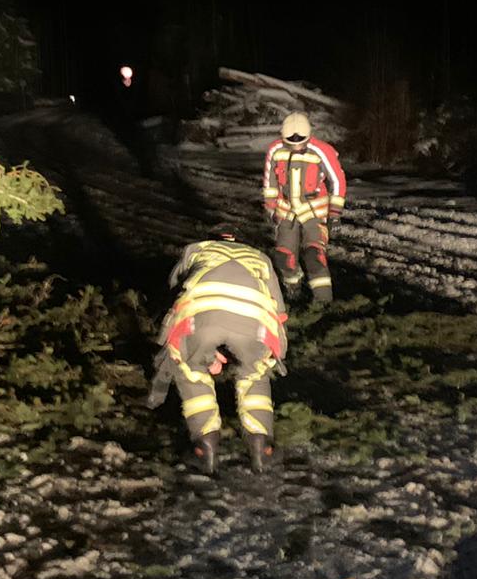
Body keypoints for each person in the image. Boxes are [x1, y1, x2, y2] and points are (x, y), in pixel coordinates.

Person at [147, 227, 288, 474]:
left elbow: (173, 292)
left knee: (190, 371)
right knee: (255, 376)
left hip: (200, 318)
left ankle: (205, 449)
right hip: (256, 323)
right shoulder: (260, 258)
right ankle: (262, 449)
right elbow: (280, 311)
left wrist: (201, 353)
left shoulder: (195, 250)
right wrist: (272, 355)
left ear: (212, 238)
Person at [262, 111, 347, 303]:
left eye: (300, 144)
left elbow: (338, 180)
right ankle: (294, 290)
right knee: (284, 257)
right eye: (291, 144)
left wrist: (335, 212)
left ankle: (324, 303)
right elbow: (270, 182)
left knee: (314, 256)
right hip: (287, 213)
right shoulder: (275, 150)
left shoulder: (322, 151)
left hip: (314, 213)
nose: (296, 147)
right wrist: (271, 208)